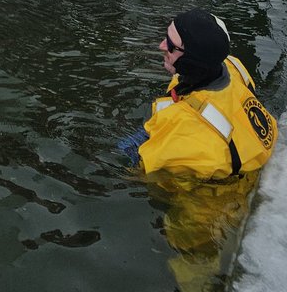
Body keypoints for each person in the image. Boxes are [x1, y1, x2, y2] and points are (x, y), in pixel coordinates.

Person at [119, 9, 278, 179]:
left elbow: (143, 170)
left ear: (190, 61)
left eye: (171, 45)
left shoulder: (188, 131)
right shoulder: (232, 65)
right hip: (238, 143)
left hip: (211, 196)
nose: (161, 46)